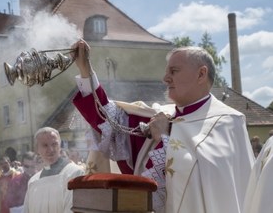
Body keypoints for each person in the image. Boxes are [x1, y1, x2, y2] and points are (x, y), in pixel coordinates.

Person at [71, 39, 255, 213]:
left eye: (174, 71)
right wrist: (86, 71)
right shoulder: (160, 115)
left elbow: (211, 180)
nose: (165, 78)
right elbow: (110, 120)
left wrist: (164, 138)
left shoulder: (228, 121)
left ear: (201, 74)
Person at [23, 127, 85, 213]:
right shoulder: (33, 182)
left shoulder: (75, 173)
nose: (51, 150)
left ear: (60, 145)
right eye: (45, 145)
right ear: (37, 149)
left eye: (54, 144)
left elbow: (73, 210)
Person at [243, 135, 273, 213]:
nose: (254, 143)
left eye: (255, 141)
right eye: (253, 141)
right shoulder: (269, 143)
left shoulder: (263, 146)